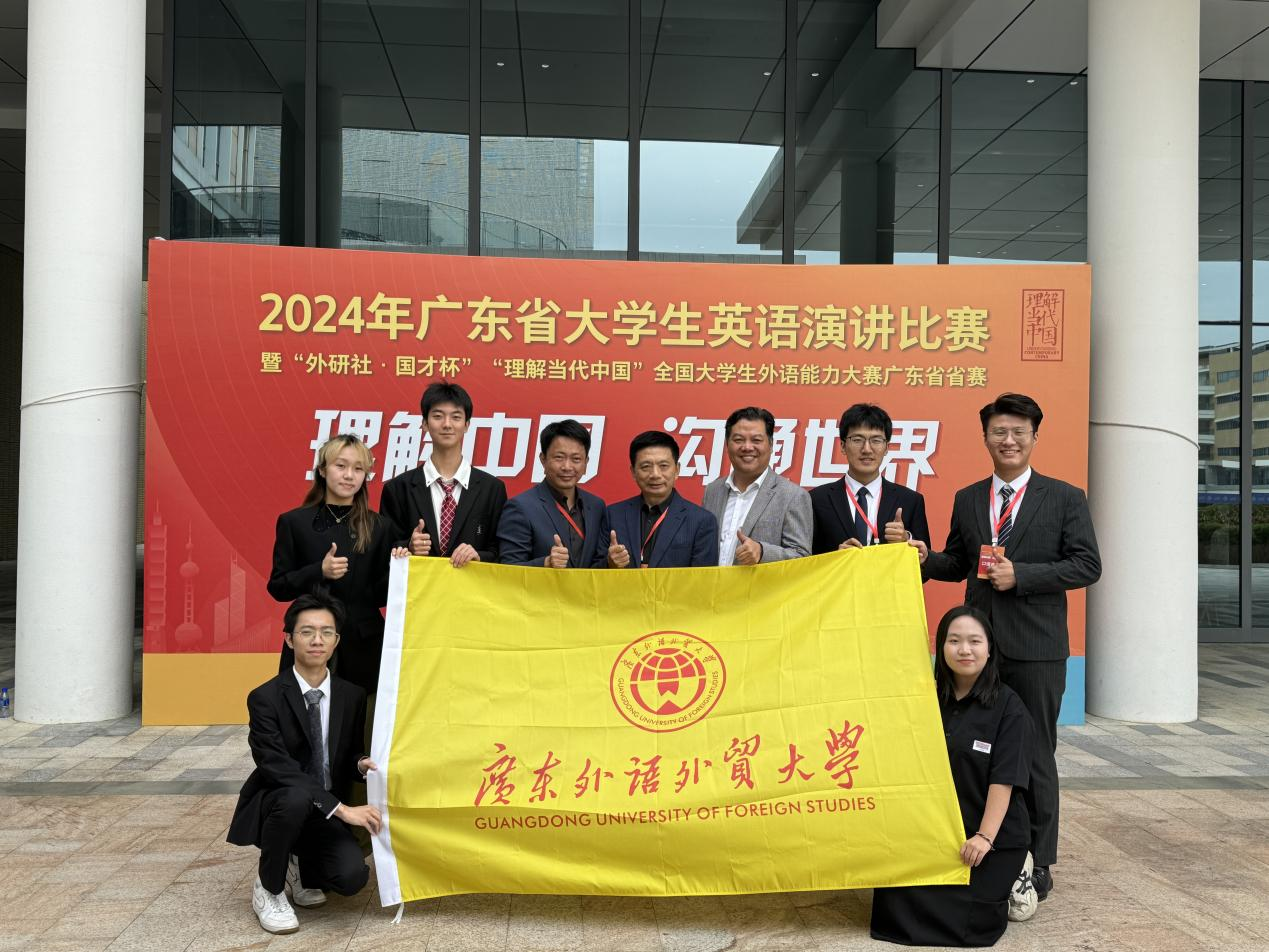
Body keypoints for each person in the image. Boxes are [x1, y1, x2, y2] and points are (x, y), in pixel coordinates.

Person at [915, 393, 1102, 902]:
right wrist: (925, 557)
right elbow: (959, 562)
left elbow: (1087, 565)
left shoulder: (1064, 497)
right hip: (979, 653)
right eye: (999, 431)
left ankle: (1038, 860)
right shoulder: (969, 498)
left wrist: (1024, 575)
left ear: (1034, 437)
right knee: (973, 750)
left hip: (1037, 650)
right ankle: (981, 842)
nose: (1009, 440)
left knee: (1035, 754)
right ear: (986, 438)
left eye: (1019, 431)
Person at [871, 605, 1035, 947]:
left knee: (972, 924)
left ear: (989, 649)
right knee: (893, 908)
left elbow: (1004, 780)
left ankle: (1020, 871)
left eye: (975, 641)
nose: (964, 650)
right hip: (936, 828)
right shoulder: (925, 699)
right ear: (941, 647)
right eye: (954, 640)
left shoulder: (1010, 707)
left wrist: (984, 838)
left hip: (990, 833)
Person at [227, 590, 382, 935]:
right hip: (280, 800)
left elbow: (346, 753)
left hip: (322, 808)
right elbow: (277, 767)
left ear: (337, 641)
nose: (317, 640)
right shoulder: (264, 698)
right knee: (295, 797)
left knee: (352, 878)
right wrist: (342, 810)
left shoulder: (351, 695)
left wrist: (360, 763)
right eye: (307, 632)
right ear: (289, 639)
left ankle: (297, 864)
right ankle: (269, 888)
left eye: (326, 632)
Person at [267, 434, 397, 692]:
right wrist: (319, 571)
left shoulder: (380, 526)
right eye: (341, 466)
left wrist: (402, 564)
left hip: (364, 644)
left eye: (358, 469)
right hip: (311, 640)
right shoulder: (294, 522)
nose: (349, 475)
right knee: (304, 712)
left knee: (362, 714)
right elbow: (278, 587)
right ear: (323, 470)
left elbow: (382, 595)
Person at [379, 381, 506, 567]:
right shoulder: (398, 489)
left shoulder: (492, 489)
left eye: (456, 417)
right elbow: (383, 551)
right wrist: (409, 546)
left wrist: (478, 556)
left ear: (467, 425)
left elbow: (501, 552)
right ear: (425, 424)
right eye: (438, 416)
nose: (447, 424)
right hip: (419, 585)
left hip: (470, 585)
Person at [809, 403, 930, 554]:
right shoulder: (816, 499)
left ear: (886, 448)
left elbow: (925, 564)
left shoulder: (910, 500)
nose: (867, 449)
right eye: (857, 440)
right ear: (843, 446)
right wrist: (834, 558)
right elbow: (804, 560)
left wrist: (906, 540)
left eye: (876, 440)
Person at [702, 406, 811, 565]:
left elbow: (802, 557)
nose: (747, 447)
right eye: (738, 440)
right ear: (727, 444)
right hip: (713, 582)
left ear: (771, 445)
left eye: (756, 440)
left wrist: (762, 552)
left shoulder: (793, 496)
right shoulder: (712, 491)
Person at [497, 419, 608, 568]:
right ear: (543, 460)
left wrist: (611, 561)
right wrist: (546, 563)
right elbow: (509, 568)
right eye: (559, 457)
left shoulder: (596, 506)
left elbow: (596, 564)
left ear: (586, 463)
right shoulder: (520, 507)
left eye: (576, 459)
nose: (567, 467)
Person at [602, 430, 719, 568]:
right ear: (633, 472)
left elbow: (704, 577)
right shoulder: (613, 515)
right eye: (646, 467)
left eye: (663, 466)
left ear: (677, 470)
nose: (655, 474)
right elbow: (592, 571)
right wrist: (610, 564)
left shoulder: (702, 521)